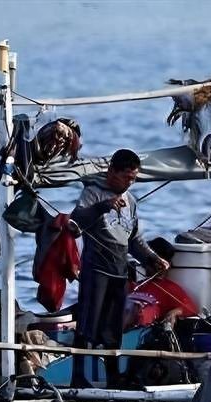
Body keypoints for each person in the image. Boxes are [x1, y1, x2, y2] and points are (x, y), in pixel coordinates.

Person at [70, 149, 169, 387]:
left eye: (133, 179)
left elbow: (134, 239)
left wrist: (152, 258)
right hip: (96, 269)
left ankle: (113, 377)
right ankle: (78, 377)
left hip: (119, 271)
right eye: (126, 177)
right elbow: (75, 223)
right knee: (88, 324)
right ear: (111, 171)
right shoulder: (92, 193)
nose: (129, 183)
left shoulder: (130, 201)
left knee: (113, 329)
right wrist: (102, 207)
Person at [124, 237, 198, 330]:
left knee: (134, 307)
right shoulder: (138, 285)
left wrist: (175, 312)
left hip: (139, 325)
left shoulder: (169, 288)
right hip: (124, 314)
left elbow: (191, 307)